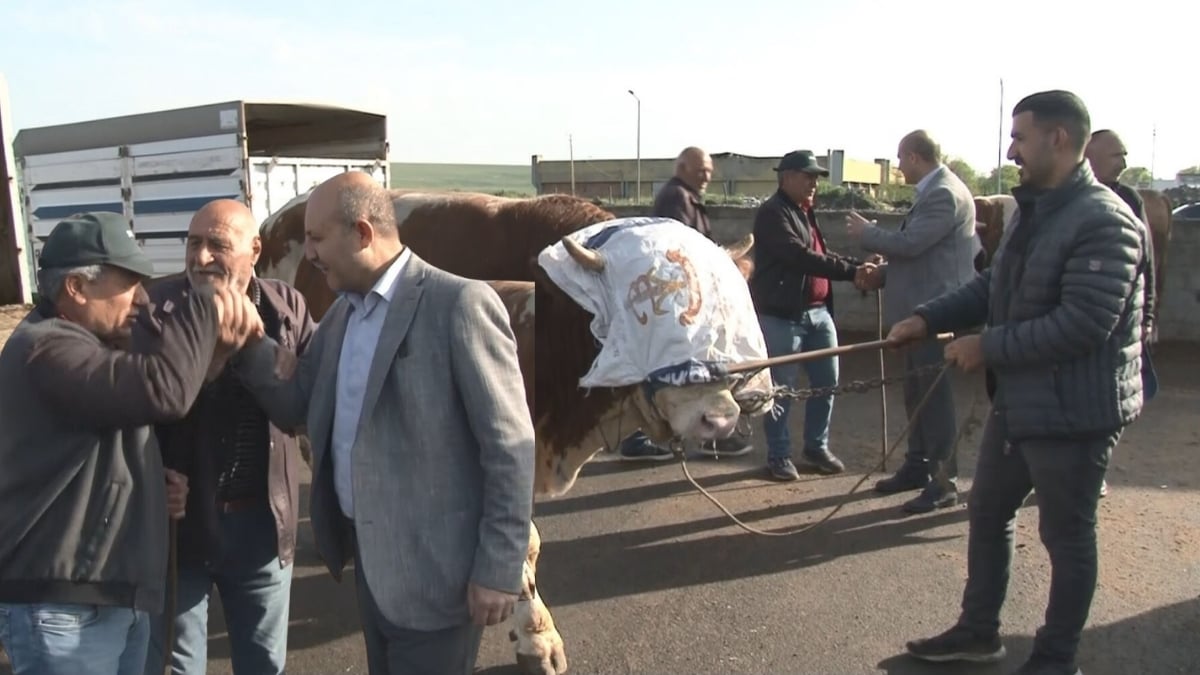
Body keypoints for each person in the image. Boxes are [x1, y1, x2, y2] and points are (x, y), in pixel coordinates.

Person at [232, 171, 536, 674]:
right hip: (374, 573)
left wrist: (499, 568)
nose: (307, 254)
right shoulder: (341, 317)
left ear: (363, 233)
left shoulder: (458, 304)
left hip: (442, 581)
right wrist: (246, 341)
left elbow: (510, 447)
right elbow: (297, 405)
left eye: (316, 238)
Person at [893, 90, 1150, 675]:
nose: (1011, 150)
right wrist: (928, 317)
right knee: (988, 510)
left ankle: (1056, 659)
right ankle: (979, 632)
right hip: (1022, 401)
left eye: (1019, 137)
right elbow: (993, 289)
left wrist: (988, 346)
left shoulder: (1105, 222)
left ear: (1057, 139)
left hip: (1076, 411)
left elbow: (1085, 324)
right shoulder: (1030, 212)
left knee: (1067, 536)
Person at [0, 212, 260, 675]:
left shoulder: (89, 345)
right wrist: (206, 303)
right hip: (63, 608)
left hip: (105, 597)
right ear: (77, 288)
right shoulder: (46, 348)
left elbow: (84, 448)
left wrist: (147, 484)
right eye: (129, 284)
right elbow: (163, 391)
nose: (142, 300)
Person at [139, 200, 315, 675]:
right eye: (193, 243)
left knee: (263, 663)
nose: (199, 257)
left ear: (254, 249)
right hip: (180, 528)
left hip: (261, 525)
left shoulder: (286, 307)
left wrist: (286, 362)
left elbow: (309, 396)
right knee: (177, 667)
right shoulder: (155, 309)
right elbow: (130, 409)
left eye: (217, 244)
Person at [846, 130, 979, 513]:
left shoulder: (942, 194)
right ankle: (919, 466)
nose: (899, 166)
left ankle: (943, 481)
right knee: (917, 394)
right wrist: (883, 274)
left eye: (901, 159)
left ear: (916, 157)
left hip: (935, 313)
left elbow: (912, 245)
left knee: (932, 400)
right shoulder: (936, 192)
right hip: (921, 312)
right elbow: (921, 256)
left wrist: (866, 234)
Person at [748, 150, 875, 481]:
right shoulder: (773, 214)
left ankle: (816, 447)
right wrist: (853, 272)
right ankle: (778, 455)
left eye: (816, 177)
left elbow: (821, 255)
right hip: (782, 316)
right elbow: (800, 257)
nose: (814, 183)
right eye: (808, 176)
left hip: (818, 314)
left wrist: (858, 265)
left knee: (826, 384)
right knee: (781, 389)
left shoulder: (804, 212)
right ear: (786, 177)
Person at [619, 146, 753, 460]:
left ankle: (709, 434)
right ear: (682, 167)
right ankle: (640, 439)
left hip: (681, 296)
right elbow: (679, 248)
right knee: (668, 366)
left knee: (683, 367)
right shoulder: (677, 199)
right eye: (701, 170)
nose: (706, 176)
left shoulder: (684, 197)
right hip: (678, 300)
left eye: (708, 171)